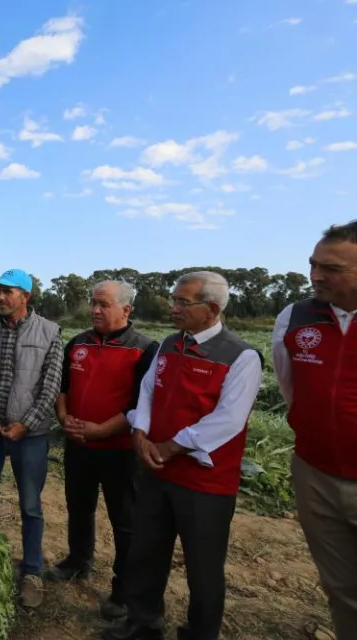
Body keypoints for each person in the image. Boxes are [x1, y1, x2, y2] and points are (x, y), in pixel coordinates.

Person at [105, 271, 263, 640]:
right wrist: (140, 431)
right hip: (157, 470)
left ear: (212, 309)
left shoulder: (241, 356)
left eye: (182, 302)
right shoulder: (169, 344)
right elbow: (148, 391)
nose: (173, 308)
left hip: (204, 482)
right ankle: (143, 623)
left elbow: (229, 419)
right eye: (173, 300)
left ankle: (200, 632)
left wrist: (172, 445)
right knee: (146, 552)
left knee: (202, 566)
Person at [48, 280, 158, 620]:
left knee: (125, 521)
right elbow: (63, 387)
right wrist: (64, 417)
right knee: (79, 507)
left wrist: (101, 430)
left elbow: (141, 404)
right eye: (93, 303)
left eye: (103, 304)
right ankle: (78, 560)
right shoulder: (78, 343)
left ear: (126, 309)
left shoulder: (145, 349)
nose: (95, 310)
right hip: (79, 445)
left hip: (120, 450)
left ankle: (124, 589)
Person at [272, 220, 357, 639]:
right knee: (341, 588)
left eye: (332, 269)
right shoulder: (295, 317)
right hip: (315, 474)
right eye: (313, 264)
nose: (316, 276)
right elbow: (290, 389)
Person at [0, 268, 64, 609]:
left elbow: (51, 386)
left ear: (26, 296)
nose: (0, 297)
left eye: (8, 291)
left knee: (31, 505)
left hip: (30, 436)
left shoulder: (49, 332)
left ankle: (32, 572)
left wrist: (27, 423)